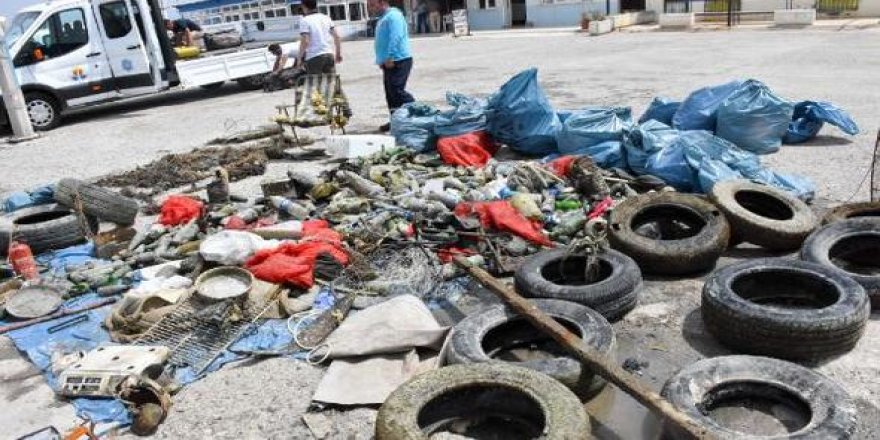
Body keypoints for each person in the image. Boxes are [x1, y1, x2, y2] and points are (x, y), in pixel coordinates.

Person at [368, 0, 414, 132]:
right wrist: (381, 59)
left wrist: (390, 56)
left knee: (397, 90)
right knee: (390, 94)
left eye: (372, 5)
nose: (371, 9)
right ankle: (396, 121)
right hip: (387, 61)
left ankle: (417, 111)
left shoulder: (394, 16)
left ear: (382, 2)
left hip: (399, 59)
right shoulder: (383, 18)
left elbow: (396, 36)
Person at [297, 0, 342, 74]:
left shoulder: (304, 20)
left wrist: (299, 58)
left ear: (303, 6)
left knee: (315, 83)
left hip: (314, 57)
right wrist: (338, 54)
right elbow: (337, 36)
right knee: (330, 82)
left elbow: (305, 41)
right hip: (329, 55)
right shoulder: (326, 18)